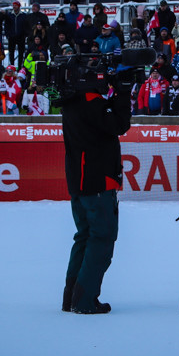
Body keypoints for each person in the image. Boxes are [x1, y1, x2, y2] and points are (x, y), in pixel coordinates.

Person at [57, 57, 133, 315]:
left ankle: (71, 298)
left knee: (84, 237)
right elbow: (119, 124)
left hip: (79, 183)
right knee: (101, 239)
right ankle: (85, 300)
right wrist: (122, 92)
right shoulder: (91, 102)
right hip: (97, 183)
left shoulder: (72, 102)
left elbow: (108, 120)